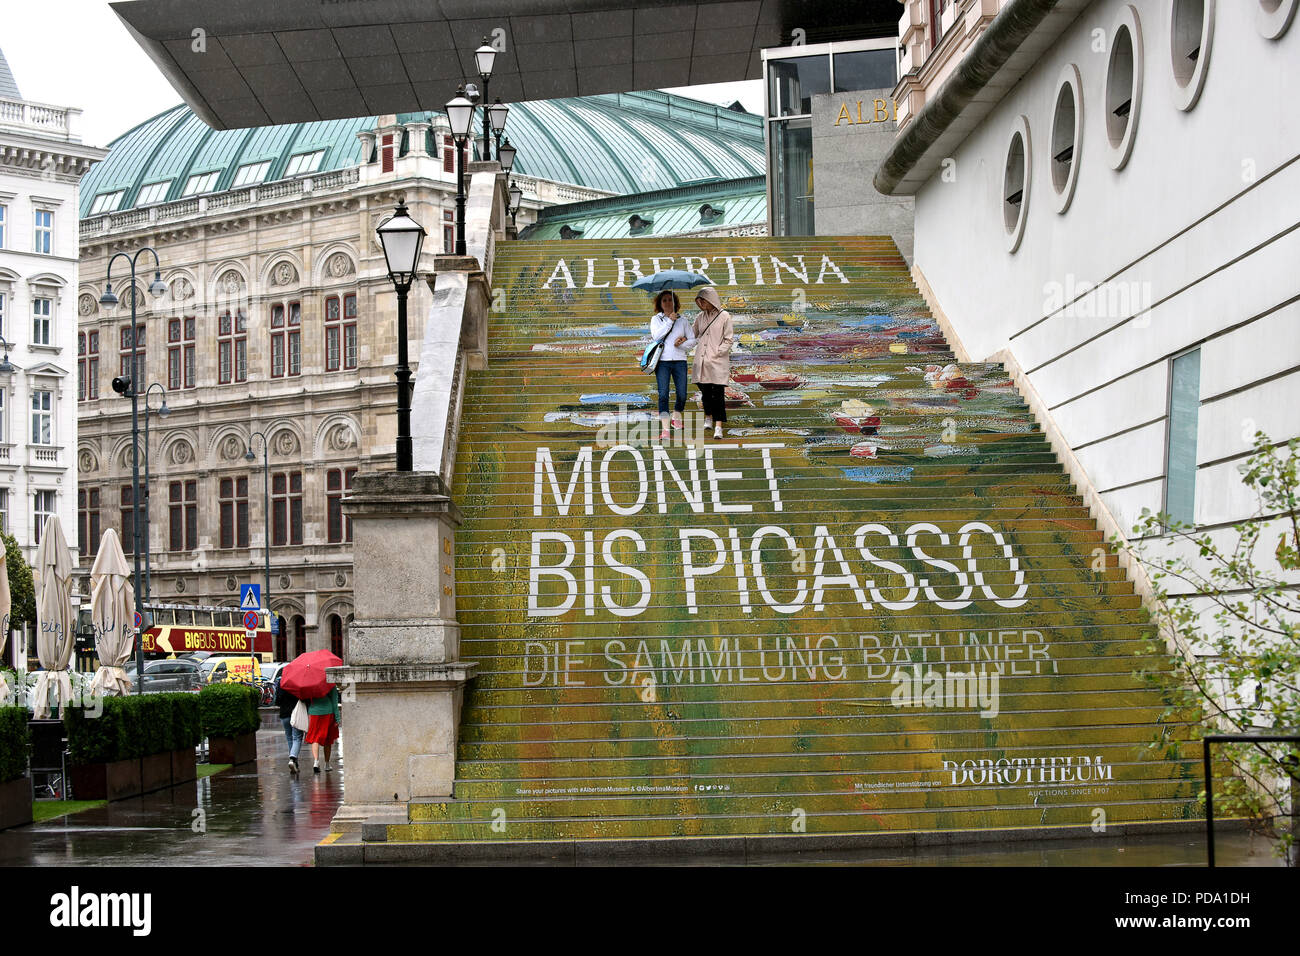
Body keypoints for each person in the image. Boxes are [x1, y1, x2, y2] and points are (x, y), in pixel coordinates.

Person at [649, 291, 695, 441]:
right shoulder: (656, 320)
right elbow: (656, 336)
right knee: (663, 395)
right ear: (660, 304)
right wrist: (669, 321)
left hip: (680, 361)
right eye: (664, 300)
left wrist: (681, 344)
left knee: (682, 394)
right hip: (662, 362)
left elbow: (692, 340)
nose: (668, 303)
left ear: (675, 302)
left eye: (670, 300)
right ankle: (665, 430)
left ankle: (676, 417)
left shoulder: (683, 321)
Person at [692, 286, 734, 439]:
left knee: (718, 395)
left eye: (704, 300)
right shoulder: (700, 317)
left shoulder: (725, 316)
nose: (701, 304)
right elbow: (692, 334)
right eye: (699, 301)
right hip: (701, 363)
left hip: (717, 363)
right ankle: (708, 416)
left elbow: (729, 339)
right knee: (706, 393)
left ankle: (718, 426)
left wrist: (717, 352)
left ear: (711, 300)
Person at [306, 684, 341, 773]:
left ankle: (316, 761)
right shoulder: (329, 684)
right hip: (328, 712)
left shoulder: (310, 684)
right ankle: (327, 764)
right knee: (327, 739)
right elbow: (334, 701)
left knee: (315, 737)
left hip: (314, 712)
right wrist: (337, 717)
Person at [275, 677, 304, 774]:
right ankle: (293, 759)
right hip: (295, 714)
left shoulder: (281, 683)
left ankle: (294, 762)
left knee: (289, 738)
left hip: (284, 714)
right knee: (297, 738)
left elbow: (277, 701)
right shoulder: (297, 682)